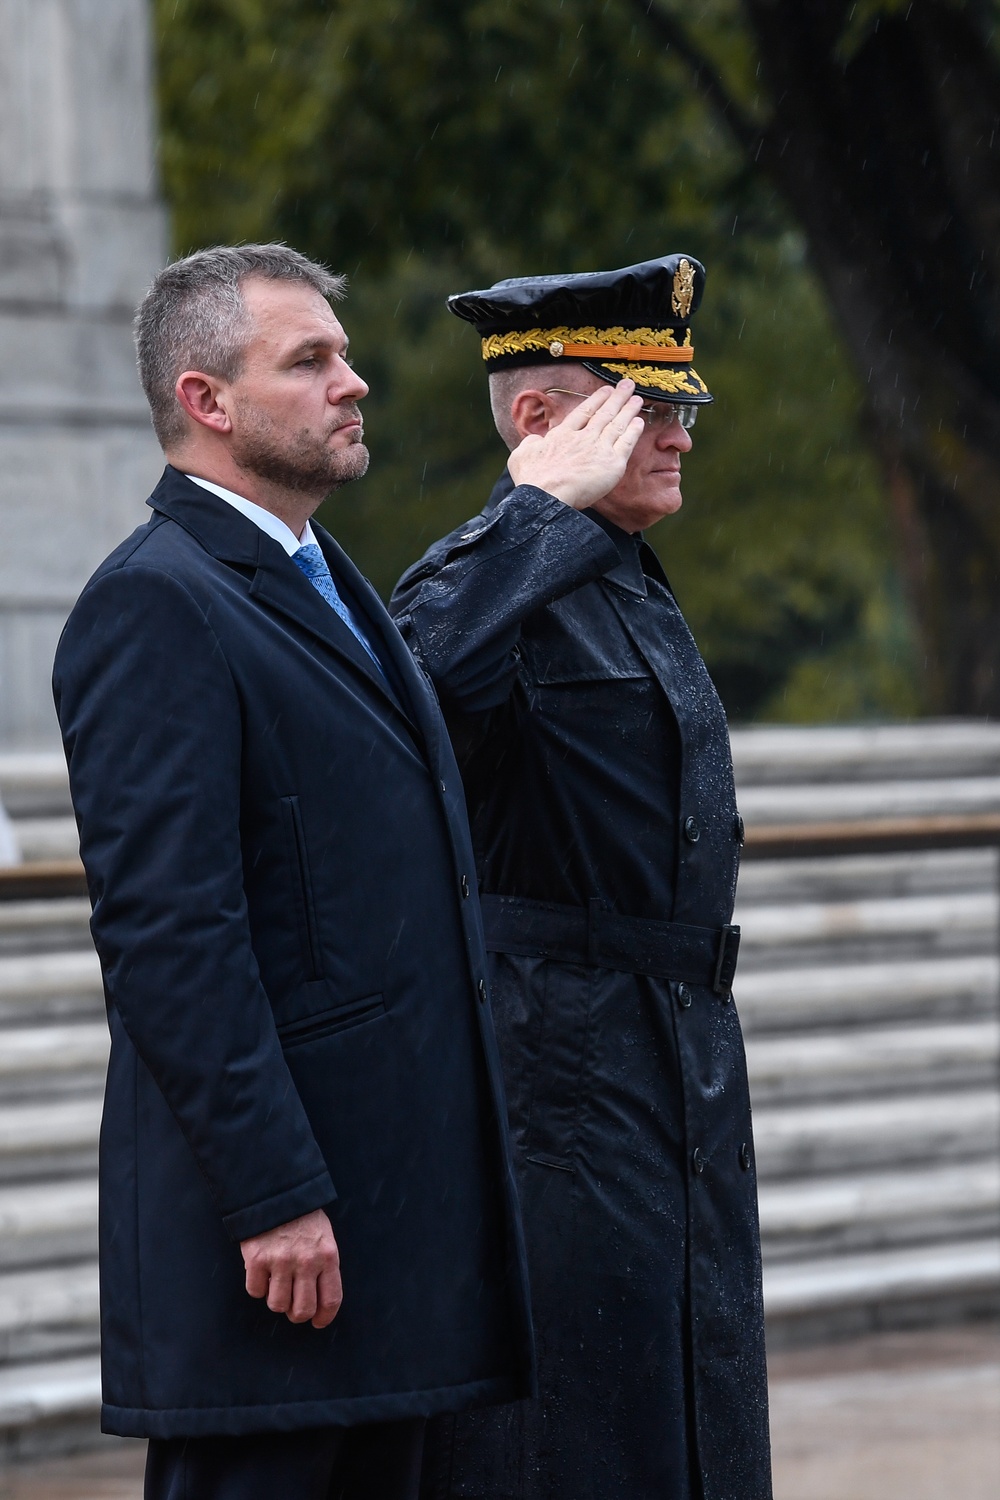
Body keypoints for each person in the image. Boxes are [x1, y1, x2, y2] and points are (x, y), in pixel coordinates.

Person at [52, 244, 533, 1500]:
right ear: (207, 401)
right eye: (309, 360)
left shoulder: (321, 577)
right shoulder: (155, 602)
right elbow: (169, 933)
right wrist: (271, 1193)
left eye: (344, 353)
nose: (353, 382)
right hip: (276, 1255)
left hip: (386, 1243)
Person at [391, 255, 772, 1500]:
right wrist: (533, 512)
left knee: (692, 1406)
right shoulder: (491, 573)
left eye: (682, 408)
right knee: (577, 1433)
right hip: (558, 1072)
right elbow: (405, 705)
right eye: (645, 407)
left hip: (673, 1058)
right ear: (542, 423)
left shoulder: (618, 574)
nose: (678, 435)